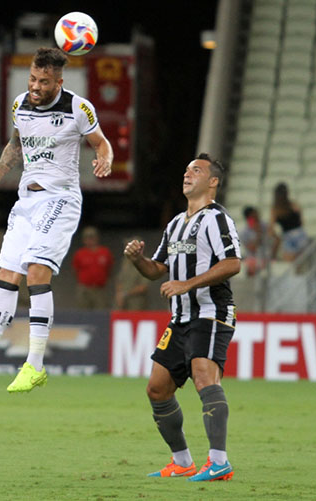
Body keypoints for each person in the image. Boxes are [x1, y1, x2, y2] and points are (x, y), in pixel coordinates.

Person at [0, 47, 113, 393]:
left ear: (58, 82)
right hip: (26, 200)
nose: (36, 86)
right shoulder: (20, 104)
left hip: (60, 199)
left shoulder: (78, 108)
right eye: (33, 79)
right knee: (7, 274)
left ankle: (34, 365)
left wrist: (105, 159)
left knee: (36, 270)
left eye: (44, 82)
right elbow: (16, 145)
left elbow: (101, 143)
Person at [124, 153, 240, 482]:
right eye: (186, 170)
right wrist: (137, 259)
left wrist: (187, 284)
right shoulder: (176, 223)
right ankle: (182, 461)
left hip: (211, 312)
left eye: (196, 170)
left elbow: (233, 264)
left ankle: (219, 462)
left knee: (205, 378)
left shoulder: (218, 219)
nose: (187, 175)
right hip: (180, 318)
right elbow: (156, 271)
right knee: (157, 389)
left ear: (213, 182)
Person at [72, 226, 114, 309]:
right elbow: (76, 270)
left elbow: (109, 269)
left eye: (92, 237)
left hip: (100, 289)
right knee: (83, 312)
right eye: (87, 238)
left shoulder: (105, 252)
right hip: (84, 289)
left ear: (97, 238)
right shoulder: (80, 253)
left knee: (101, 311)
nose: (90, 240)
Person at [268, 182, 309, 261]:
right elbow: (302, 222)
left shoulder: (276, 210)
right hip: (300, 235)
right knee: (299, 263)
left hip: (288, 237)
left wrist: (277, 238)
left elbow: (271, 229)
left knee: (290, 265)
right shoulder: (294, 205)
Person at [114, 235, 150, 310]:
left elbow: (143, 287)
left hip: (136, 302)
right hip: (122, 302)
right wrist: (119, 295)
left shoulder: (145, 263)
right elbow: (119, 280)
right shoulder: (125, 262)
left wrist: (125, 294)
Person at [240, 206, 272, 275]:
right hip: (253, 258)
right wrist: (258, 234)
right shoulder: (244, 232)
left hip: (266, 256)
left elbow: (275, 240)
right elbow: (252, 248)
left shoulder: (266, 226)